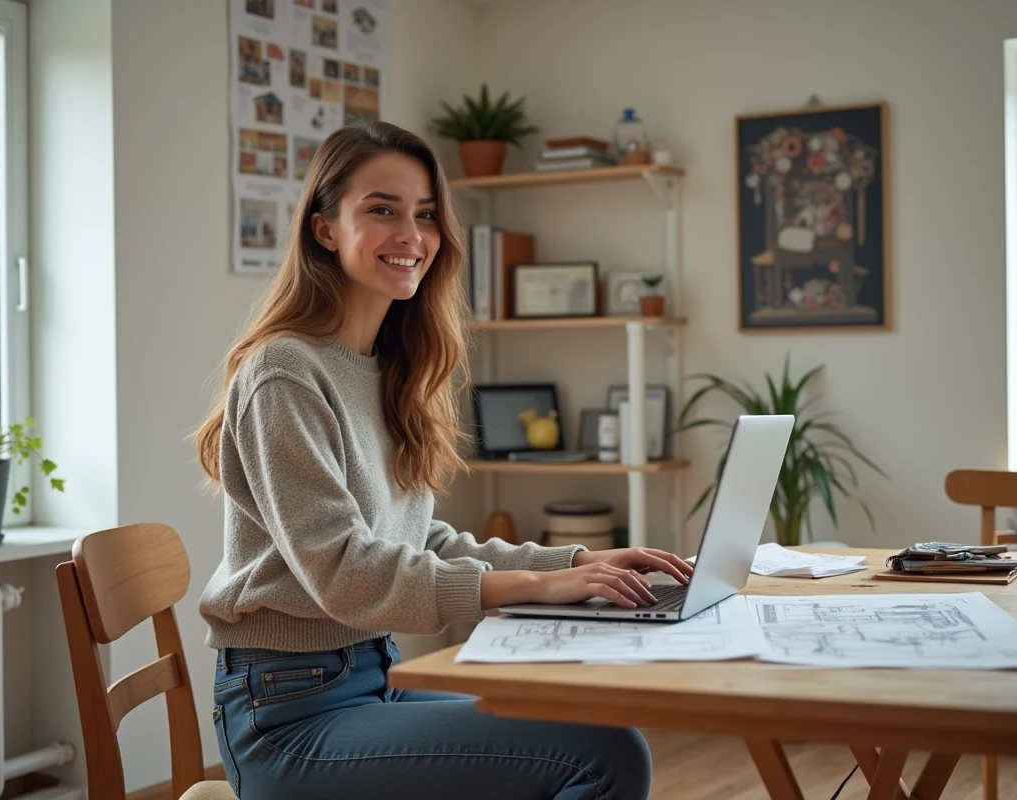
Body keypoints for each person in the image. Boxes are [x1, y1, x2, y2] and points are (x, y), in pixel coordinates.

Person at [194, 119, 694, 800]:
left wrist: (576, 564)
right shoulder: (285, 372)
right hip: (288, 716)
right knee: (602, 756)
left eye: (425, 214)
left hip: (374, 679)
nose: (412, 235)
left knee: (597, 735)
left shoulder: (387, 369)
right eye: (382, 210)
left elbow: (420, 540)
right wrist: (534, 589)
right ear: (324, 229)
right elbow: (344, 573)